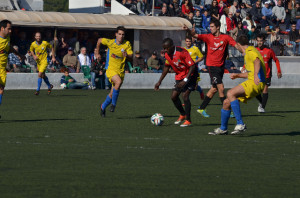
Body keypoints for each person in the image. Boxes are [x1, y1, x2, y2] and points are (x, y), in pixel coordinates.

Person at [208, 34, 266, 135]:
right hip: (254, 81)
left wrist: (256, 75)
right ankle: (223, 128)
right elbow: (250, 72)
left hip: (256, 83)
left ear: (238, 44)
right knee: (226, 102)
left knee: (230, 93)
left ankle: (240, 124)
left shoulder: (250, 52)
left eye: (236, 45)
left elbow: (257, 62)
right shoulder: (250, 50)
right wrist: (238, 75)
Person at [184, 19, 241, 118]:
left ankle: (201, 108)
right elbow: (195, 35)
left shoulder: (225, 37)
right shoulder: (208, 37)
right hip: (211, 66)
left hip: (220, 67)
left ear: (218, 27)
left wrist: (244, 50)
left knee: (214, 89)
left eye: (212, 27)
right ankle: (228, 110)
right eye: (209, 27)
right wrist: (188, 30)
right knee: (221, 88)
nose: (210, 29)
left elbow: (235, 45)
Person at [154, 38, 198, 127]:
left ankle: (188, 120)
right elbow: (166, 67)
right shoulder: (167, 55)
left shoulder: (182, 52)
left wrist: (185, 80)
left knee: (185, 96)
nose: (165, 50)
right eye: (164, 48)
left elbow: (192, 66)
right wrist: (159, 81)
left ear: (172, 46)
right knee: (173, 97)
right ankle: (182, 114)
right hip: (179, 76)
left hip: (191, 75)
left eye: (167, 48)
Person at [97, 26, 133, 117]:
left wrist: (126, 56)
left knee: (112, 93)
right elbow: (99, 40)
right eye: (119, 34)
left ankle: (103, 106)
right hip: (110, 69)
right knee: (118, 82)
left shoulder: (126, 44)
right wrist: (96, 53)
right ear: (116, 34)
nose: (121, 36)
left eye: (123, 35)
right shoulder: (110, 42)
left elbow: (131, 56)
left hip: (120, 72)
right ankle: (113, 105)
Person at [0, 20, 23, 118]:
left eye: (11, 29)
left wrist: (18, 54)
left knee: (1, 90)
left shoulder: (8, 38)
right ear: (2, 28)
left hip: (2, 69)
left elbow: (9, 48)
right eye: (8, 29)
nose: (10, 31)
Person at [255, 34, 282, 113]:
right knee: (256, 92)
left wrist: (279, 71)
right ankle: (262, 102)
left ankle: (262, 107)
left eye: (261, 41)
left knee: (265, 89)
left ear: (264, 41)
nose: (259, 42)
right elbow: (249, 59)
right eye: (258, 41)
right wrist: (244, 67)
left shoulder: (269, 50)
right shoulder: (255, 50)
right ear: (256, 41)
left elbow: (276, 60)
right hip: (257, 74)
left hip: (267, 74)